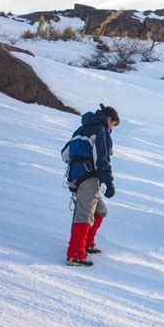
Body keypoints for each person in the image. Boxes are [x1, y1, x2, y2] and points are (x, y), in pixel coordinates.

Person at [61, 104, 119, 266]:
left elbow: (65, 154)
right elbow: (101, 159)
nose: (112, 129)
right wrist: (108, 182)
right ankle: (76, 254)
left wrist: (78, 161)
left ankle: (86, 243)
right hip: (88, 177)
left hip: (74, 176)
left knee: (100, 211)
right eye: (113, 124)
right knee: (84, 214)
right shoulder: (100, 131)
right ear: (108, 119)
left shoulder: (80, 130)